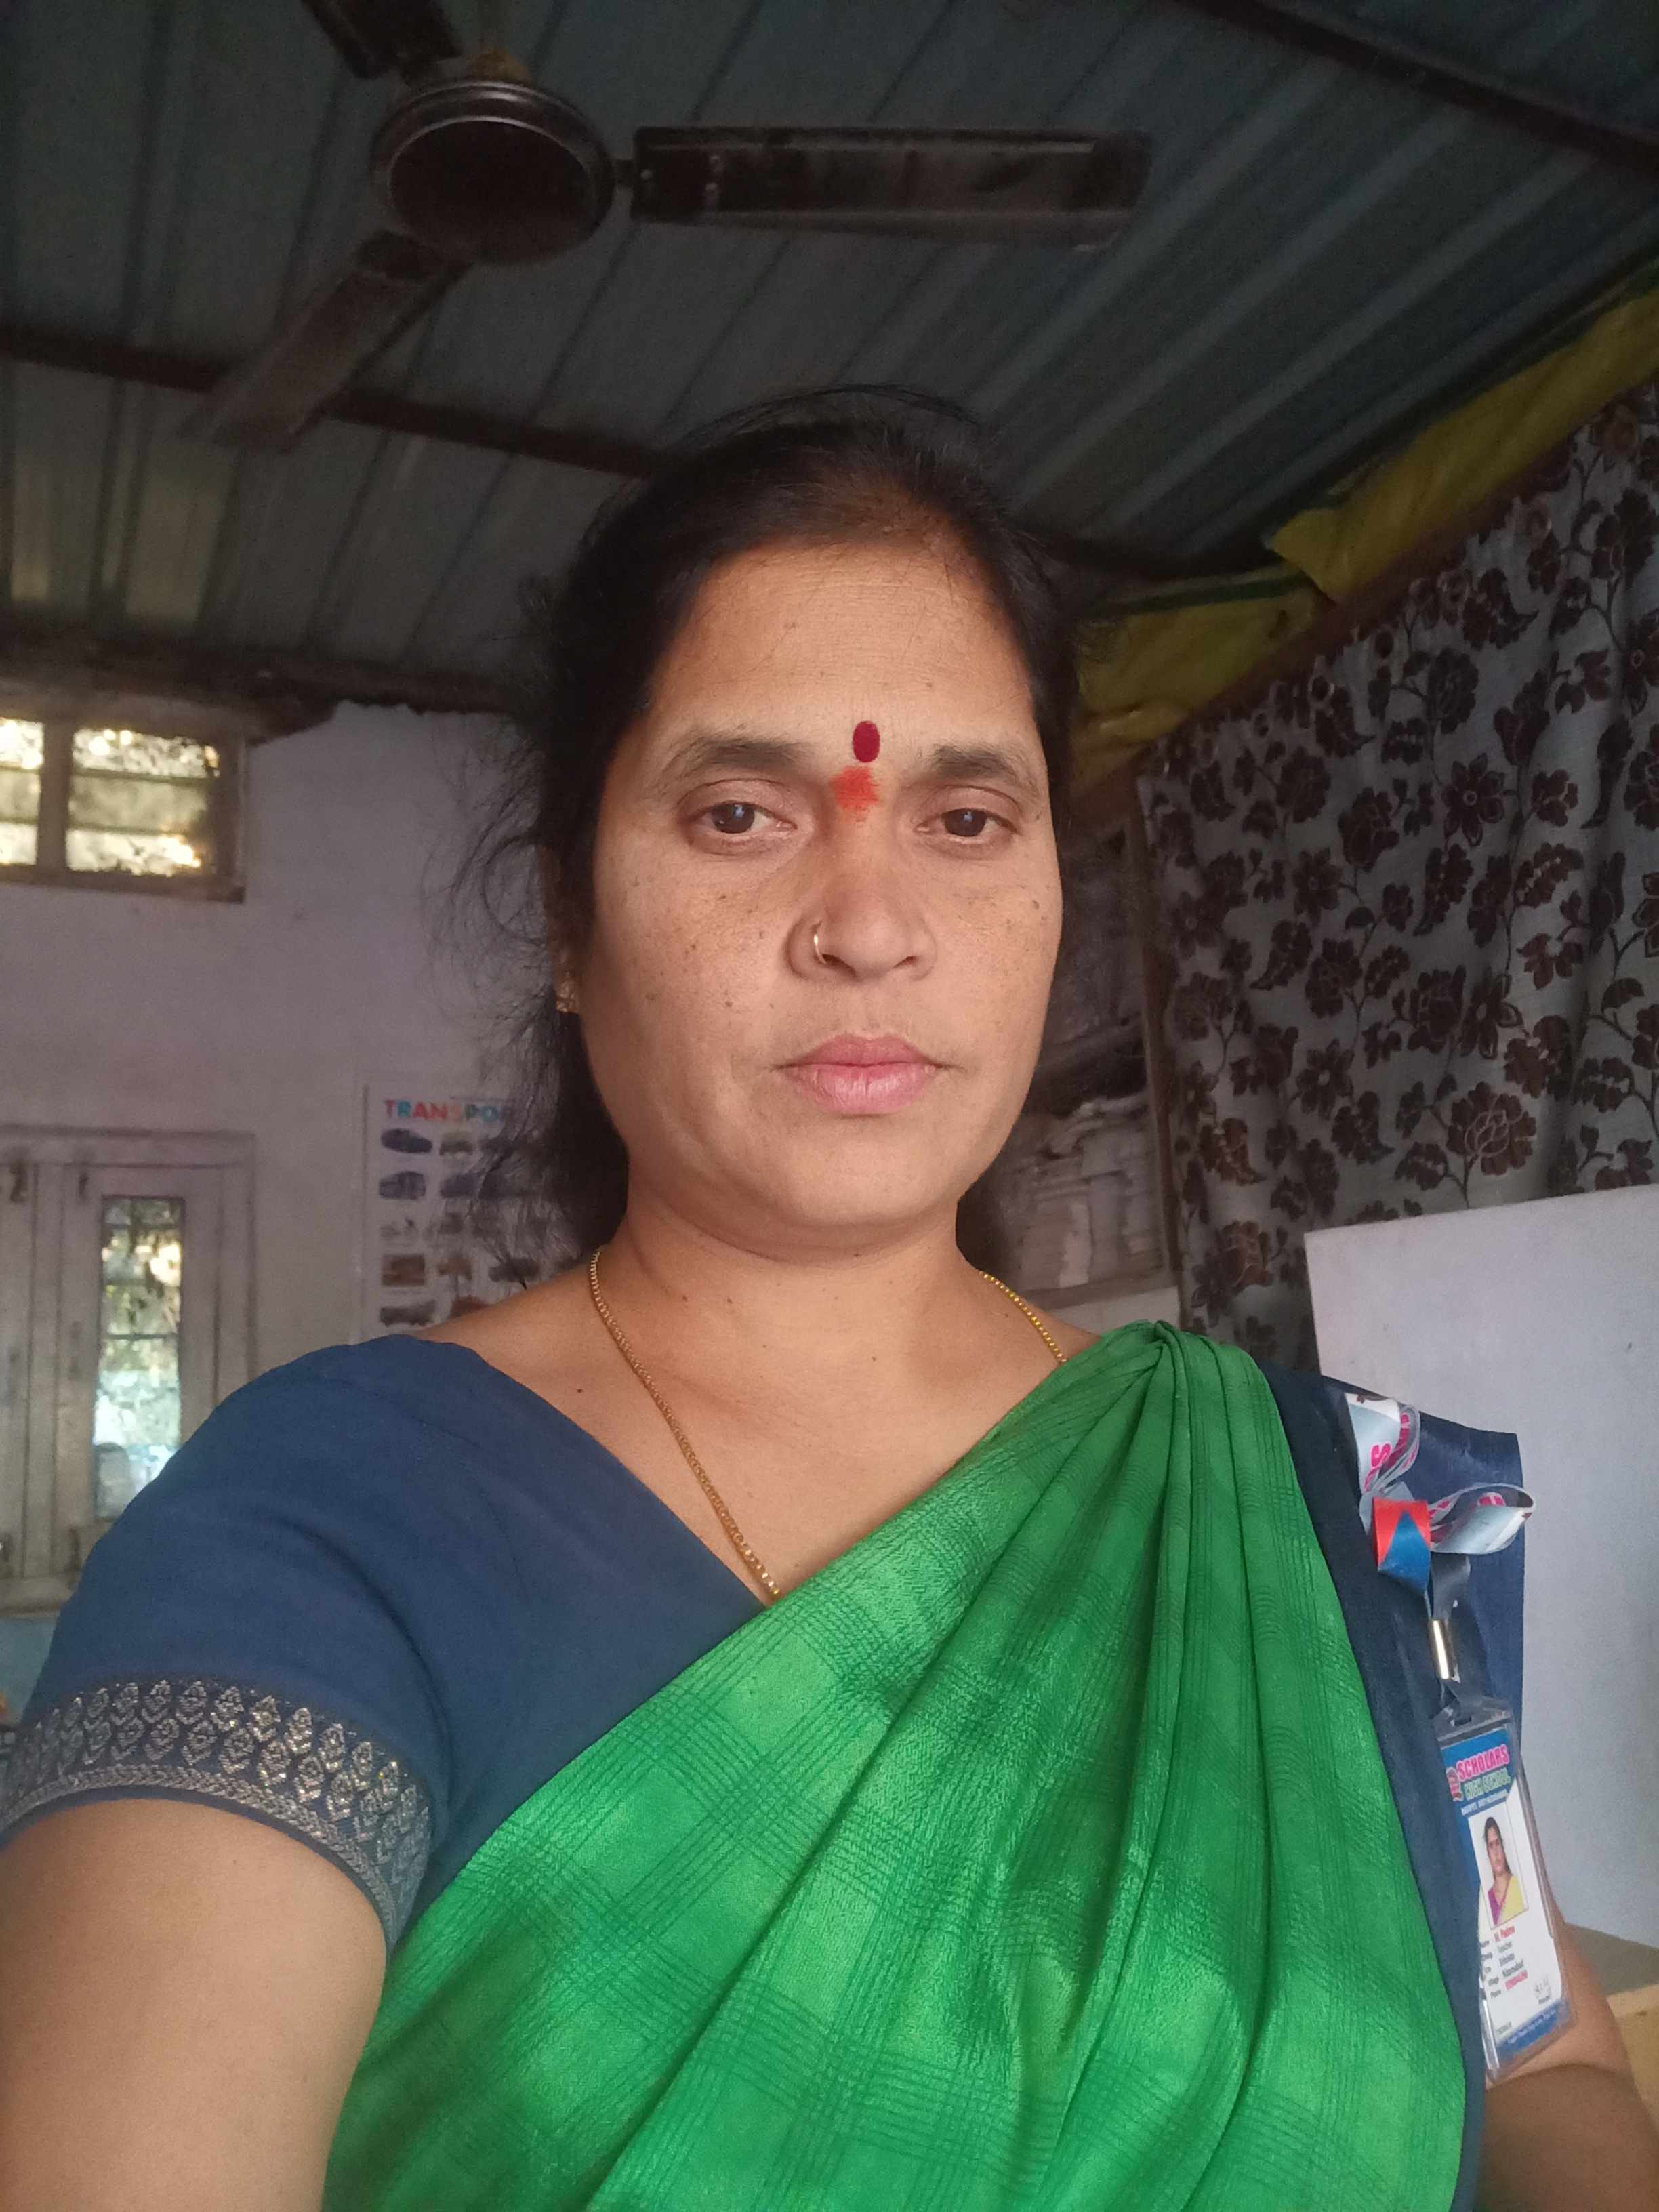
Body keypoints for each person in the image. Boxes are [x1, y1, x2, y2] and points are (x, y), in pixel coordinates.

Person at [0, 392, 1654, 2212]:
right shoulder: (321, 1526)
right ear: (566, 922)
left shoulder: (1339, 1506)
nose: (870, 924)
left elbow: (1547, 2061)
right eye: (738, 812)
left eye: (966, 814)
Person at [1486, 1815, 1528, 1927]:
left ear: (1503, 1847)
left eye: (1497, 1843)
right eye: (1491, 1846)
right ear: (1488, 1853)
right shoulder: (1488, 1899)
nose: (1496, 1852)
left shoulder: (1519, 1885)